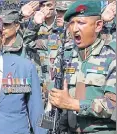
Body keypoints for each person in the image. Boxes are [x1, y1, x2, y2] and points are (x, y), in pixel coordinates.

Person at [48, 1, 116, 133]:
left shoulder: (111, 57)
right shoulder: (64, 57)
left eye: (81, 23)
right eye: (71, 23)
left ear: (98, 25)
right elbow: (55, 97)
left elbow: (113, 105)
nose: (74, 29)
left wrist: (74, 104)